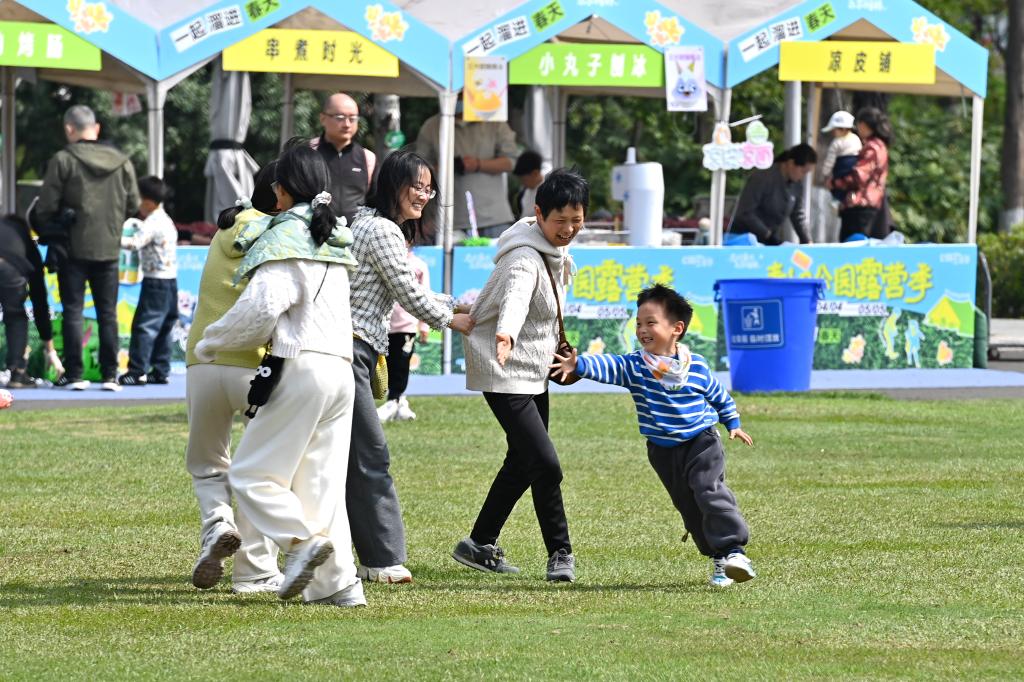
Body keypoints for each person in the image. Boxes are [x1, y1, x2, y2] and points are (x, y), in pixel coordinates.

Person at [195, 144, 364, 607]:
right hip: (341, 370)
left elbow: (262, 308)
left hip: (304, 365)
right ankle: (339, 586)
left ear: (281, 190)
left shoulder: (284, 234)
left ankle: (300, 543)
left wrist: (211, 341)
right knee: (320, 487)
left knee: (251, 474)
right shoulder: (333, 235)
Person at [549, 284, 756, 587]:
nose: (642, 330)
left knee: (708, 490)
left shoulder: (696, 365)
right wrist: (577, 364)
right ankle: (718, 558)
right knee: (688, 506)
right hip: (663, 451)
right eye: (638, 324)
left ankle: (734, 551)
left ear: (676, 328)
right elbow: (608, 364)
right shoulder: (635, 366)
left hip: (701, 442)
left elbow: (718, 395)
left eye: (651, 323)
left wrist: (732, 422)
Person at [452, 168, 589, 583]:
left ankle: (479, 543)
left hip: (532, 370)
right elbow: (515, 297)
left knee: (522, 460)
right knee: (545, 464)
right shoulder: (524, 258)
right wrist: (506, 333)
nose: (568, 229)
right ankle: (561, 553)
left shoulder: (555, 252)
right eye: (560, 220)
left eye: (577, 220)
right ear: (539, 214)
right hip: (503, 368)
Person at [348, 149, 475, 584]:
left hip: (348, 350)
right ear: (392, 184)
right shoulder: (382, 229)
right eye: (416, 186)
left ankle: (343, 556)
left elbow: (408, 290)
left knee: (337, 459)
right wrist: (455, 319)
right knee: (371, 455)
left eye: (429, 188)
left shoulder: (365, 222)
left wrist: (456, 306)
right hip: (349, 351)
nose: (423, 195)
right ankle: (382, 560)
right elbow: (408, 292)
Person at [183, 162, 283, 594]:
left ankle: (217, 524)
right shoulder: (283, 232)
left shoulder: (225, 228)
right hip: (255, 365)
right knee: (263, 471)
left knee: (207, 465)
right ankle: (257, 569)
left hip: (202, 361)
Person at [34, 104, 140, 391]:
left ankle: (75, 374)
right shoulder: (122, 161)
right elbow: (133, 204)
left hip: (72, 247)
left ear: (69, 129)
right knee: (108, 313)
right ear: (97, 128)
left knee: (73, 310)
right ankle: (110, 375)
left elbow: (45, 207)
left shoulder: (62, 160)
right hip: (109, 247)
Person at [416, 103, 518, 237]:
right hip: (449, 220)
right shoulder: (432, 126)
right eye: (458, 95)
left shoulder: (494, 122)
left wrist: (478, 164)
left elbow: (510, 162)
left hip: (494, 217)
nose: (460, 98)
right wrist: (445, 167)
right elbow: (418, 169)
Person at [118, 176, 178, 386]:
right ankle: (161, 370)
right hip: (170, 280)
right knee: (164, 327)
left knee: (144, 326)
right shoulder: (166, 219)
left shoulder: (152, 222)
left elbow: (135, 243)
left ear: (148, 201)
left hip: (155, 282)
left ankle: (137, 371)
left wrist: (111, 238)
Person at [0, 215, 62, 388]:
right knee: (16, 316)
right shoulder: (26, 244)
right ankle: (17, 372)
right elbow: (39, 301)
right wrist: (50, 349)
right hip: (8, 268)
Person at [377, 243, 431, 423]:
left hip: (407, 326)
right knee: (387, 366)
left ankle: (393, 400)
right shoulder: (385, 261)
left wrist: (424, 326)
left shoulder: (419, 266)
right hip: (383, 325)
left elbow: (425, 296)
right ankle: (399, 402)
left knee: (401, 365)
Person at [729, 143, 817, 245]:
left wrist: (807, 240)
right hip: (743, 239)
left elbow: (797, 214)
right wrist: (767, 234)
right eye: (803, 171)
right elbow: (745, 212)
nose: (803, 176)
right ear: (791, 163)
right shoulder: (762, 178)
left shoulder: (797, 185)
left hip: (767, 240)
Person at [311, 92, 376, 225]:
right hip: (315, 231)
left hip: (355, 233)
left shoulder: (368, 158)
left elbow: (374, 200)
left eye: (352, 118)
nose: (347, 124)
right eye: (340, 117)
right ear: (323, 118)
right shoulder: (309, 153)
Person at [829, 107, 891, 242]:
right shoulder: (881, 146)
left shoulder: (872, 147)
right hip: (872, 204)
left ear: (865, 125)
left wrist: (835, 183)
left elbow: (859, 176)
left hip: (860, 206)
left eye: (859, 124)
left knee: (852, 245)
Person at [819, 110, 862, 203]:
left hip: (841, 169)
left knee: (837, 191)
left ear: (843, 129)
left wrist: (825, 174)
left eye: (834, 130)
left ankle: (838, 200)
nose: (833, 133)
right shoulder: (856, 139)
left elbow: (830, 161)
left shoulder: (836, 142)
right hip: (854, 171)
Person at [513, 150, 545, 220]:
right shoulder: (523, 194)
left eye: (523, 179)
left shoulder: (549, 192)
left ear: (535, 173)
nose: (522, 183)